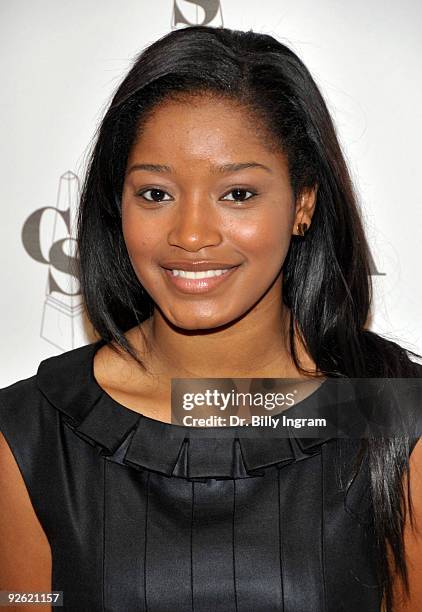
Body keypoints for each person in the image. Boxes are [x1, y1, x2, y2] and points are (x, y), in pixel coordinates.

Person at [0, 25, 421, 612]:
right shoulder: (27, 435)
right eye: (155, 194)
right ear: (115, 203)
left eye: (238, 194)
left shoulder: (395, 420)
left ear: (303, 202)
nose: (191, 234)